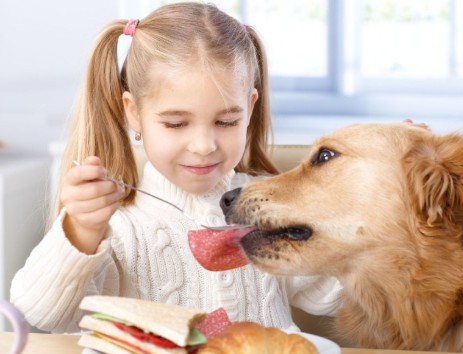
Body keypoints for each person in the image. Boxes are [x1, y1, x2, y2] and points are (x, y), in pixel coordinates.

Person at [10, 2, 341, 333]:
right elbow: (43, 315)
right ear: (134, 112)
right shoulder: (114, 222)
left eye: (226, 121)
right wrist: (82, 230)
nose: (203, 145)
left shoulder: (269, 203)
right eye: (176, 123)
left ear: (250, 108)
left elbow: (331, 296)